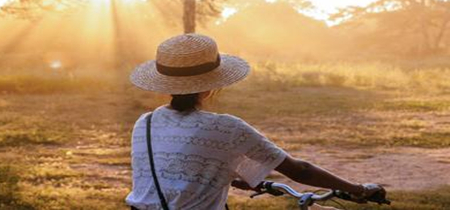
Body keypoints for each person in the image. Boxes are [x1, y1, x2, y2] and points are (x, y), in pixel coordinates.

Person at [126, 33, 385, 210]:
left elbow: (179, 170)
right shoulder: (227, 127)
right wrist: (358, 189)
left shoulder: (145, 123)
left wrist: (236, 178)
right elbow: (299, 170)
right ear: (210, 87)